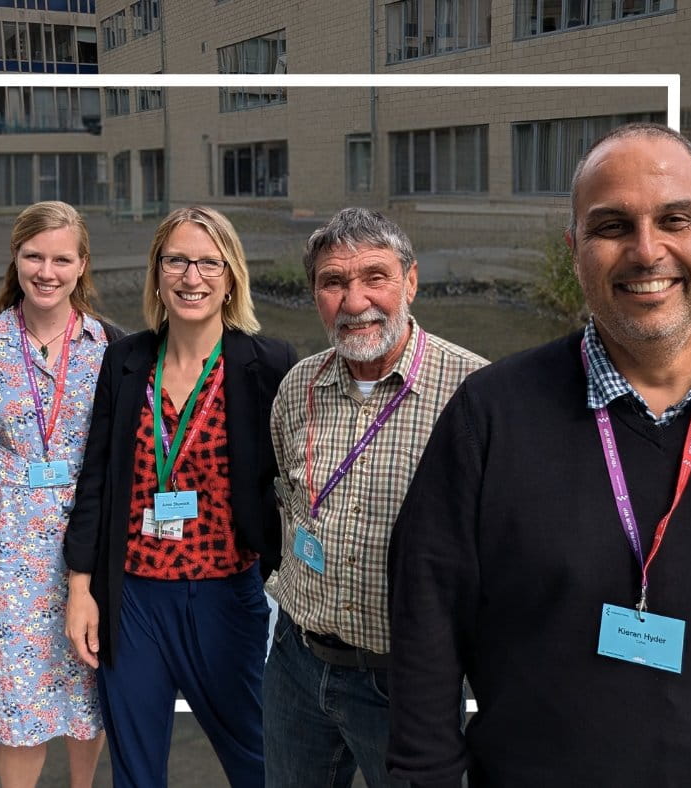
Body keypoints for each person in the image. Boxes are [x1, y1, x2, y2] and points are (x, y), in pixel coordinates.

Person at [387, 123, 691, 787]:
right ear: (575, 250)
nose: (646, 250)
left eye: (675, 219)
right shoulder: (490, 414)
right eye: (612, 226)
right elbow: (425, 619)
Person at [64, 205, 296, 787]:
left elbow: (295, 483)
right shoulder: (125, 360)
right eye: (177, 261)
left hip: (226, 594)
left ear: (231, 274)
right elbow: (94, 479)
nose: (192, 277)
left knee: (259, 759)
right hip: (134, 596)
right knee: (136, 769)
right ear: (157, 273)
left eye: (207, 263)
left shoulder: (269, 365)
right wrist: (80, 588)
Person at [264, 208, 486, 787]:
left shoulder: (474, 395)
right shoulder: (298, 387)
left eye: (374, 277)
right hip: (296, 659)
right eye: (333, 282)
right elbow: (287, 504)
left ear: (410, 281)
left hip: (408, 681)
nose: (354, 300)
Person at [0, 201, 123, 787]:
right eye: (34, 256)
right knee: (19, 705)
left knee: (88, 688)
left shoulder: (111, 349)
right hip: (6, 555)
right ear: (15, 260)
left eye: (61, 258)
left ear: (81, 265)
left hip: (88, 549)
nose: (47, 271)